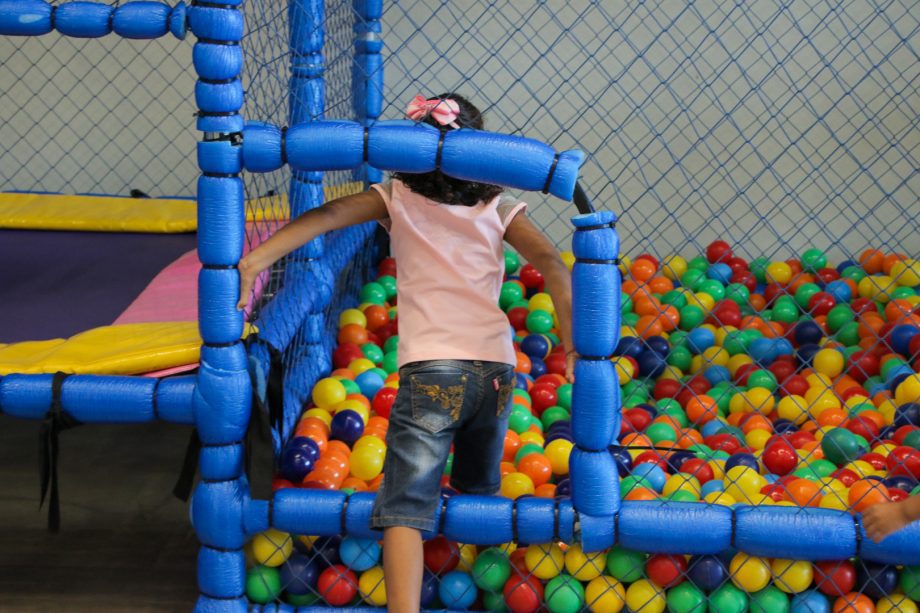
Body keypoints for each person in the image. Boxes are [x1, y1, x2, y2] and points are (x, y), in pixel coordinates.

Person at [237, 93, 574, 613]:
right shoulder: (500, 207)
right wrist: (572, 344)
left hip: (433, 370)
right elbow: (552, 262)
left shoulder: (397, 196)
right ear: (480, 152)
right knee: (478, 492)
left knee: (403, 510)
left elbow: (330, 214)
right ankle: (485, 589)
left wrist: (255, 260)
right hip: (495, 372)